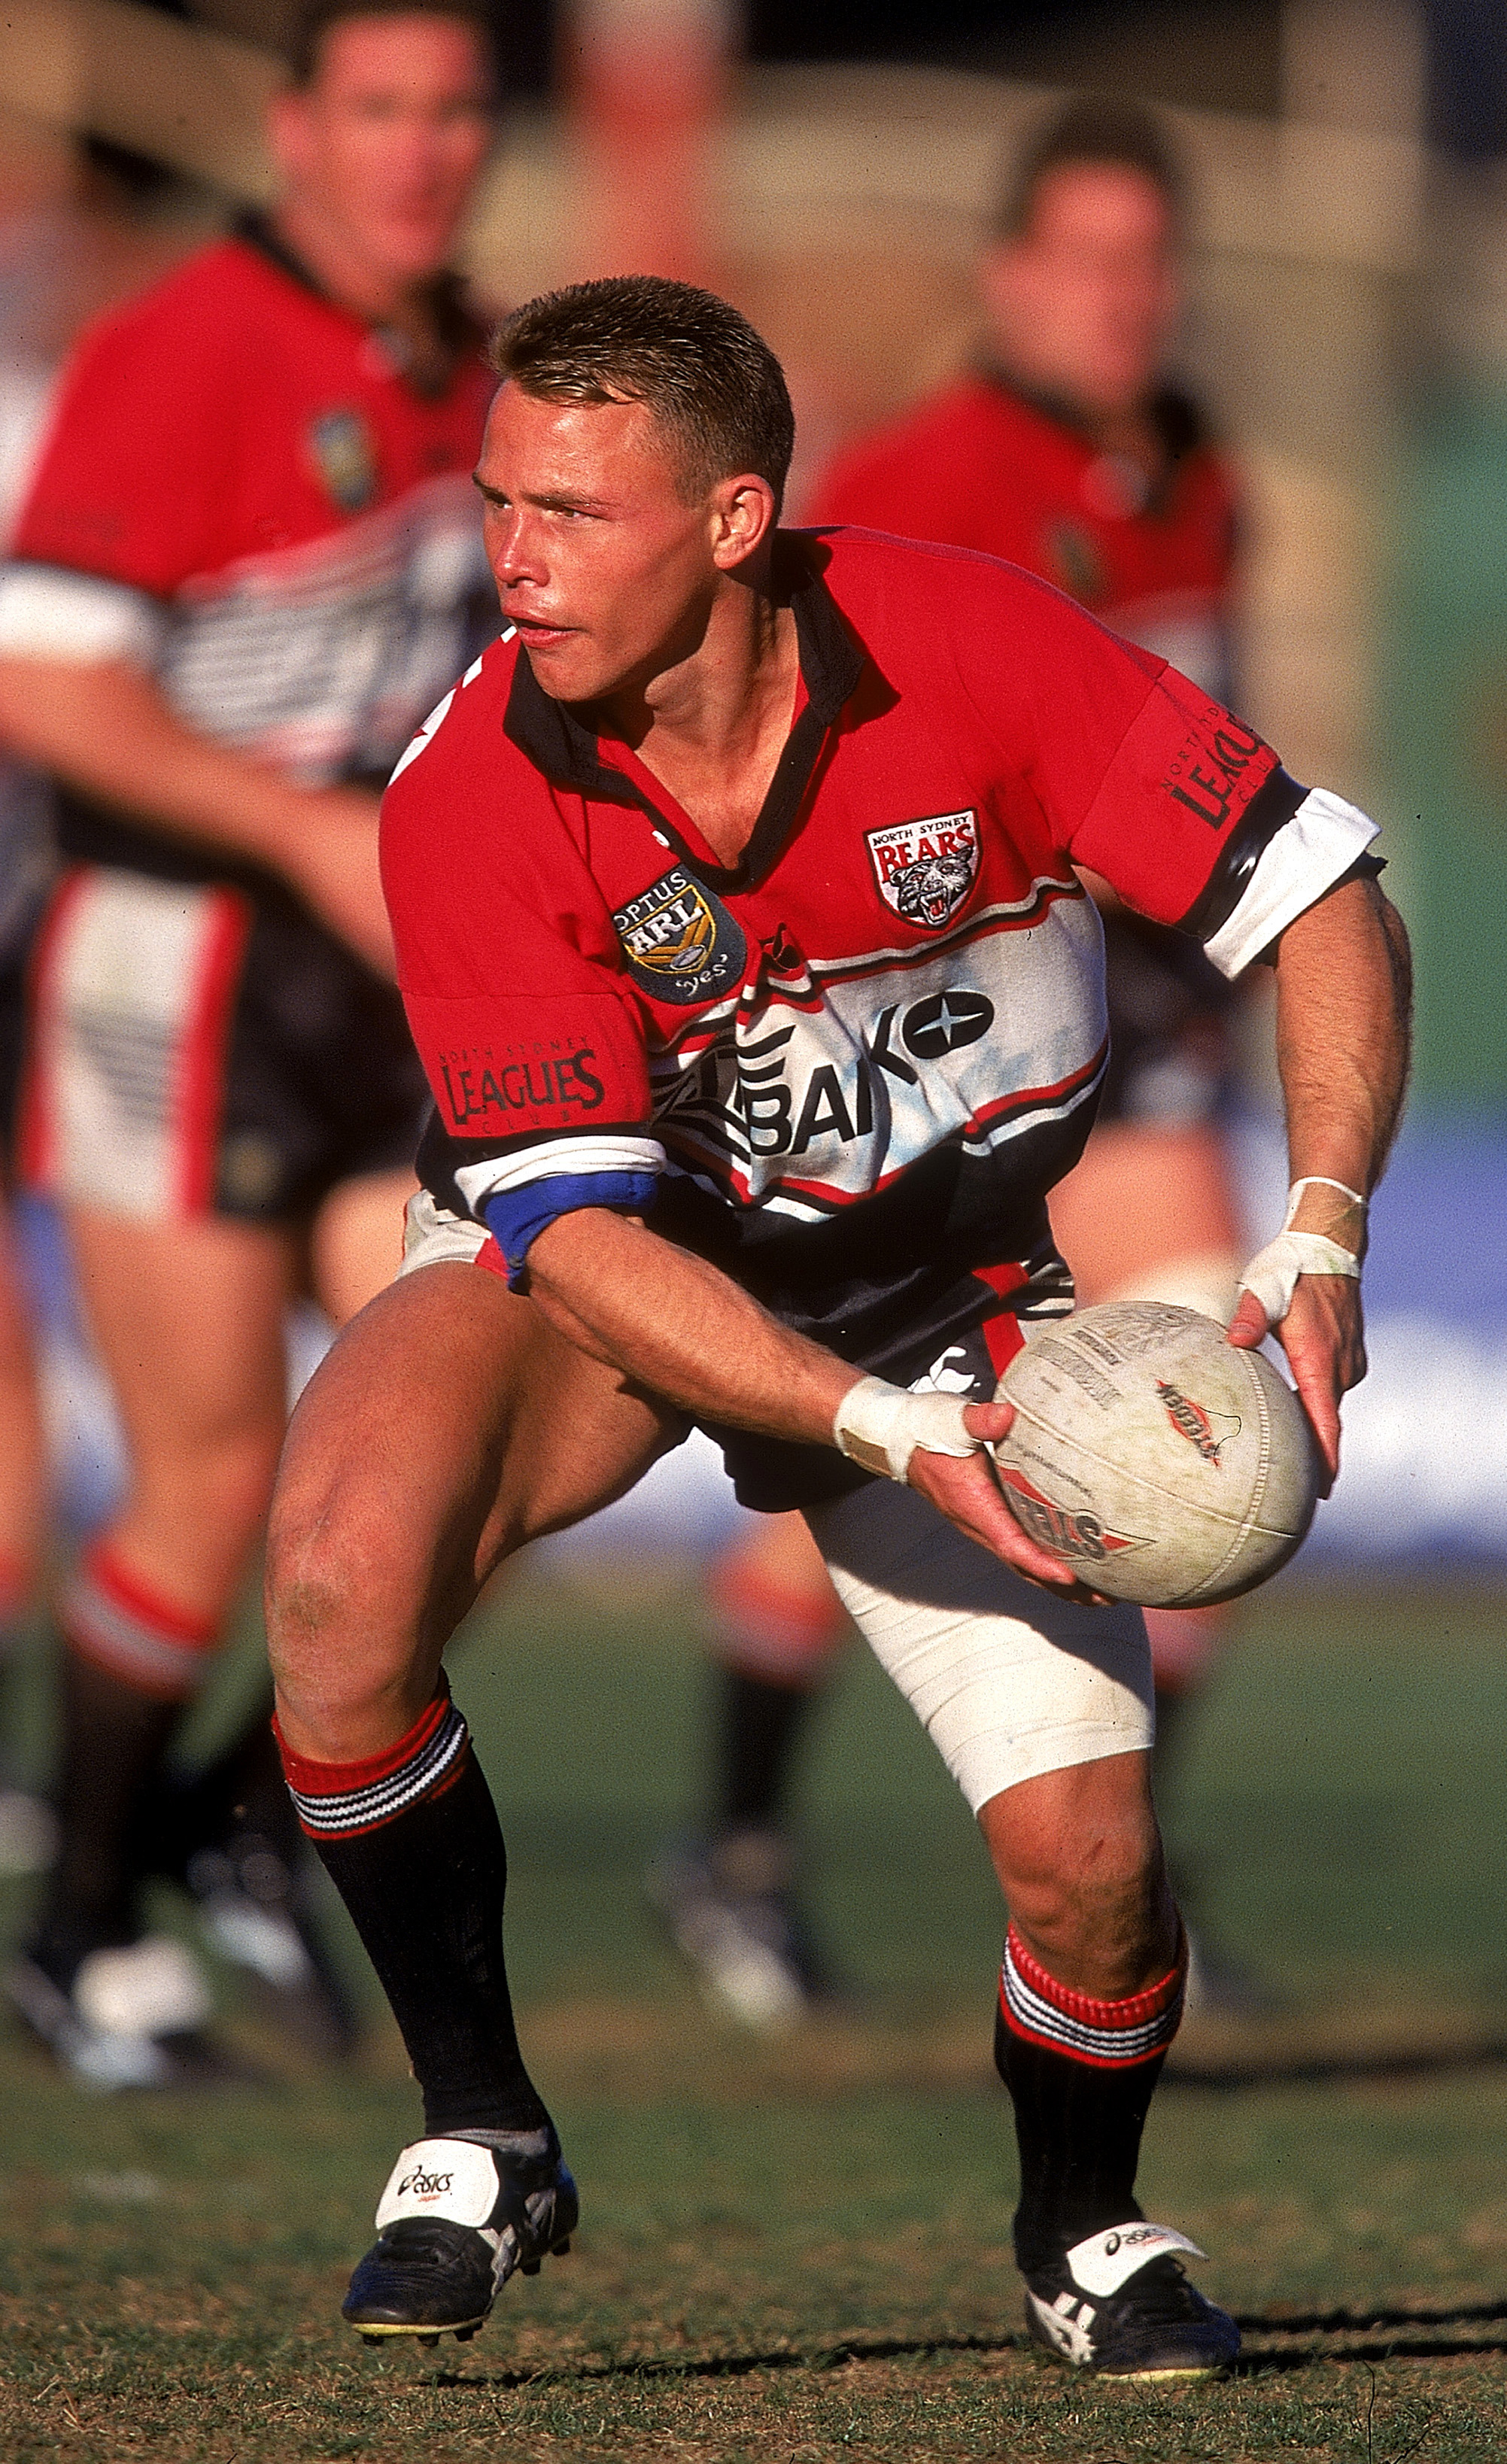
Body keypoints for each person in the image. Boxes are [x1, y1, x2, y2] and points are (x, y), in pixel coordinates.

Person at [263, 275, 1410, 2376]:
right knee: (336, 1584)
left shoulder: (974, 649)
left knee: (1091, 1873)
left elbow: (1321, 901)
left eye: (574, 512)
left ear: (730, 522)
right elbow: (586, 1246)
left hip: (950, 1291)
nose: (512, 556)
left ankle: (1082, 2227)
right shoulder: (475, 786)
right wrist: (881, 1432)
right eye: (500, 498)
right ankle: (480, 2124)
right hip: (622, 1279)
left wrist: (1320, 1230)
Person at [657, 98, 1262, 2022]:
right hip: (974, 1018)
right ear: (1008, 278)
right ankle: (741, 1839)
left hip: (1138, 1012)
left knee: (1223, 1439)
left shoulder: (1190, 469)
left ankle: (1107, 1857)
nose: (1117, 300)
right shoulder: (935, 475)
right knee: (996, 1431)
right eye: (1081, 261)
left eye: (1147, 263)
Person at [0, 0, 500, 2085]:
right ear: (296, 125)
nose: (420, 147)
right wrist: (300, 824)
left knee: (483, 1415)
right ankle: (78, 1920)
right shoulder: (184, 348)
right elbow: (46, 684)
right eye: (377, 106)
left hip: (381, 984)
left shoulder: (479, 359)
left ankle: (231, 1815)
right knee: (206, 1481)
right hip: (177, 964)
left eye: (457, 108)